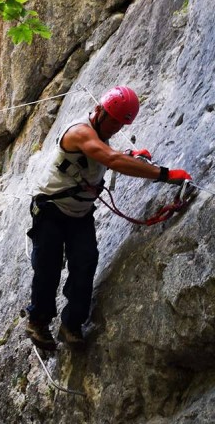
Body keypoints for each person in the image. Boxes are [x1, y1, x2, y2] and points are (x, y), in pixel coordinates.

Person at [25, 86, 192, 351]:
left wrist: (133, 158)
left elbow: (109, 156)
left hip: (79, 214)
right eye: (113, 120)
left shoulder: (102, 137)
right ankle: (38, 321)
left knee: (85, 263)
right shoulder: (80, 132)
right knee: (48, 267)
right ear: (100, 111)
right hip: (51, 211)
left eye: (120, 123)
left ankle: (72, 325)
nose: (115, 127)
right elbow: (110, 159)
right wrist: (164, 174)